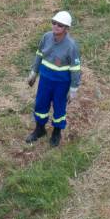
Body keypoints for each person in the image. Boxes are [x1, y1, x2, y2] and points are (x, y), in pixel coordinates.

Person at [26, 10, 81, 147]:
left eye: (60, 25)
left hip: (61, 84)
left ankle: (56, 132)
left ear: (66, 28)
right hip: (45, 80)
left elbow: (75, 69)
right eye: (54, 23)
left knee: (59, 107)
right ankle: (40, 129)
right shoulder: (46, 37)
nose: (56, 26)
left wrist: (73, 89)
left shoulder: (71, 46)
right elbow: (39, 54)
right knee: (41, 103)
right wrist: (34, 72)